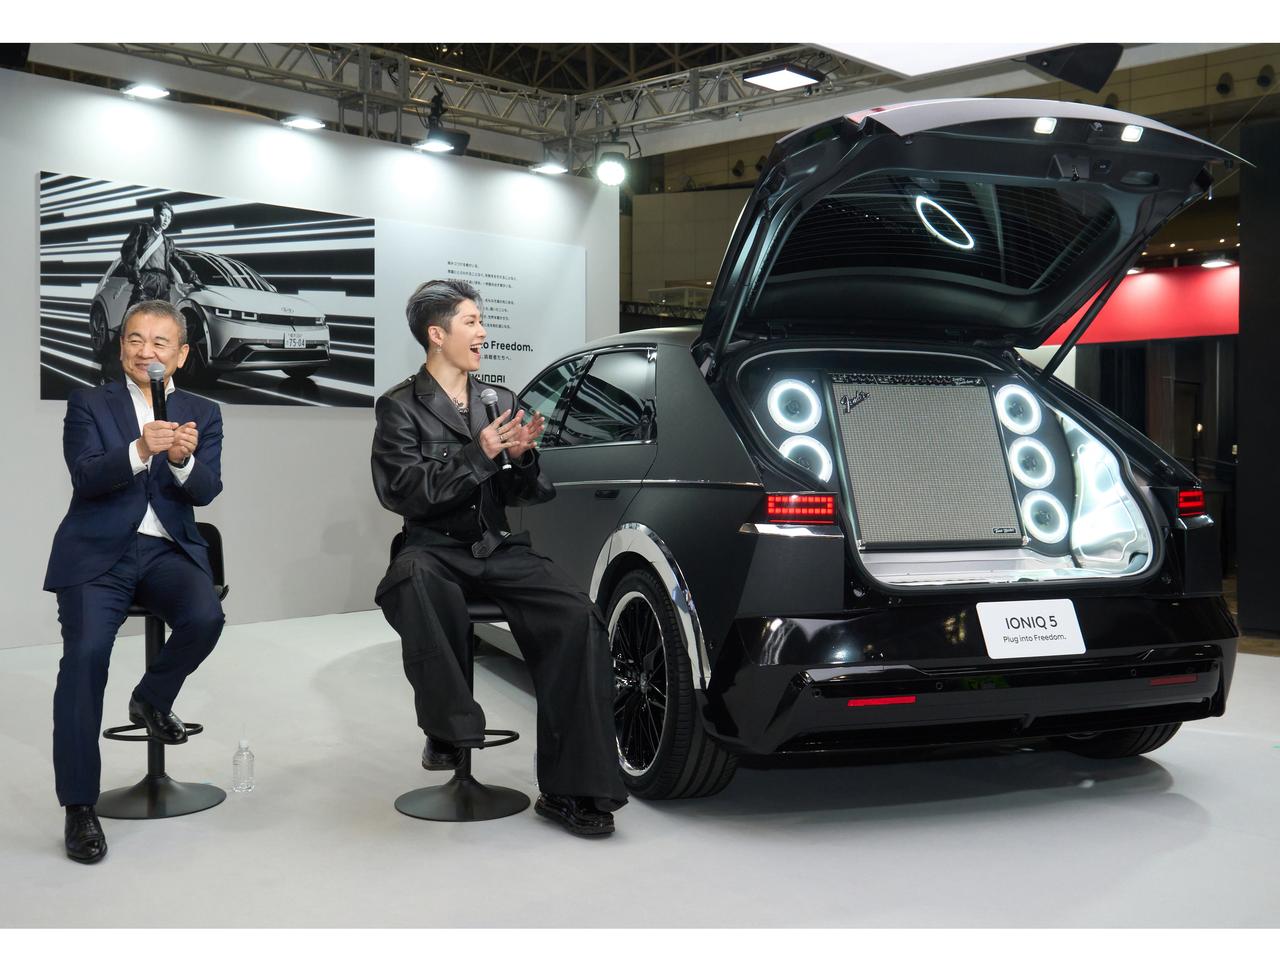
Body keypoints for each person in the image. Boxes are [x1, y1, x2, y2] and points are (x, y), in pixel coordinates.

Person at [371, 279, 626, 837]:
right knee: (413, 583)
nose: (483, 332)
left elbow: (528, 494)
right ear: (437, 335)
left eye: (482, 321)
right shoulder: (399, 406)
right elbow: (403, 493)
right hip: (433, 549)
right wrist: (479, 455)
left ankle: (573, 791)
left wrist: (523, 459)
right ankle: (449, 731)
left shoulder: (500, 400)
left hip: (495, 547)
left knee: (576, 616)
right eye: (471, 321)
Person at [44, 299, 226, 864]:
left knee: (206, 618)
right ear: (121, 345)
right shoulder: (89, 403)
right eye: (134, 340)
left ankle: (150, 698)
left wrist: (182, 461)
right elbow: (86, 476)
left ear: (181, 354)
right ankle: (79, 806)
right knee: (85, 660)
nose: (146, 351)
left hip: (166, 550)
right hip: (99, 554)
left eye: (159, 343)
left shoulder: (203, 411)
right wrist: (142, 448)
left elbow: (207, 491)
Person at [120, 201, 180, 310]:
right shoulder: (142, 229)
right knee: (136, 314)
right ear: (155, 215)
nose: (166, 220)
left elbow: (178, 260)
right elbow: (128, 252)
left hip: (163, 284)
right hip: (146, 279)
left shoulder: (168, 242)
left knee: (162, 316)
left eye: (169, 217)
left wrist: (194, 278)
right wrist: (137, 277)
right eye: (163, 215)